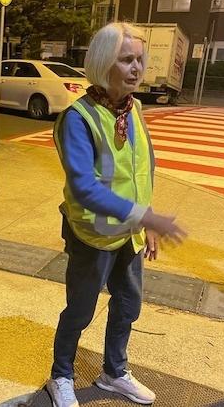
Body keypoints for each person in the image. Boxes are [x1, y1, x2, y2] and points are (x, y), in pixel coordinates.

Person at [46, 22, 186, 406]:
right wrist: (146, 216)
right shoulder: (78, 118)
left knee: (128, 306)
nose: (137, 68)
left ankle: (113, 371)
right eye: (127, 60)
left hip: (131, 235)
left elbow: (142, 170)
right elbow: (84, 187)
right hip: (92, 235)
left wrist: (148, 220)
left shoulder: (134, 109)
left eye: (140, 59)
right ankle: (60, 375)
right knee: (80, 311)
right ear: (103, 62)